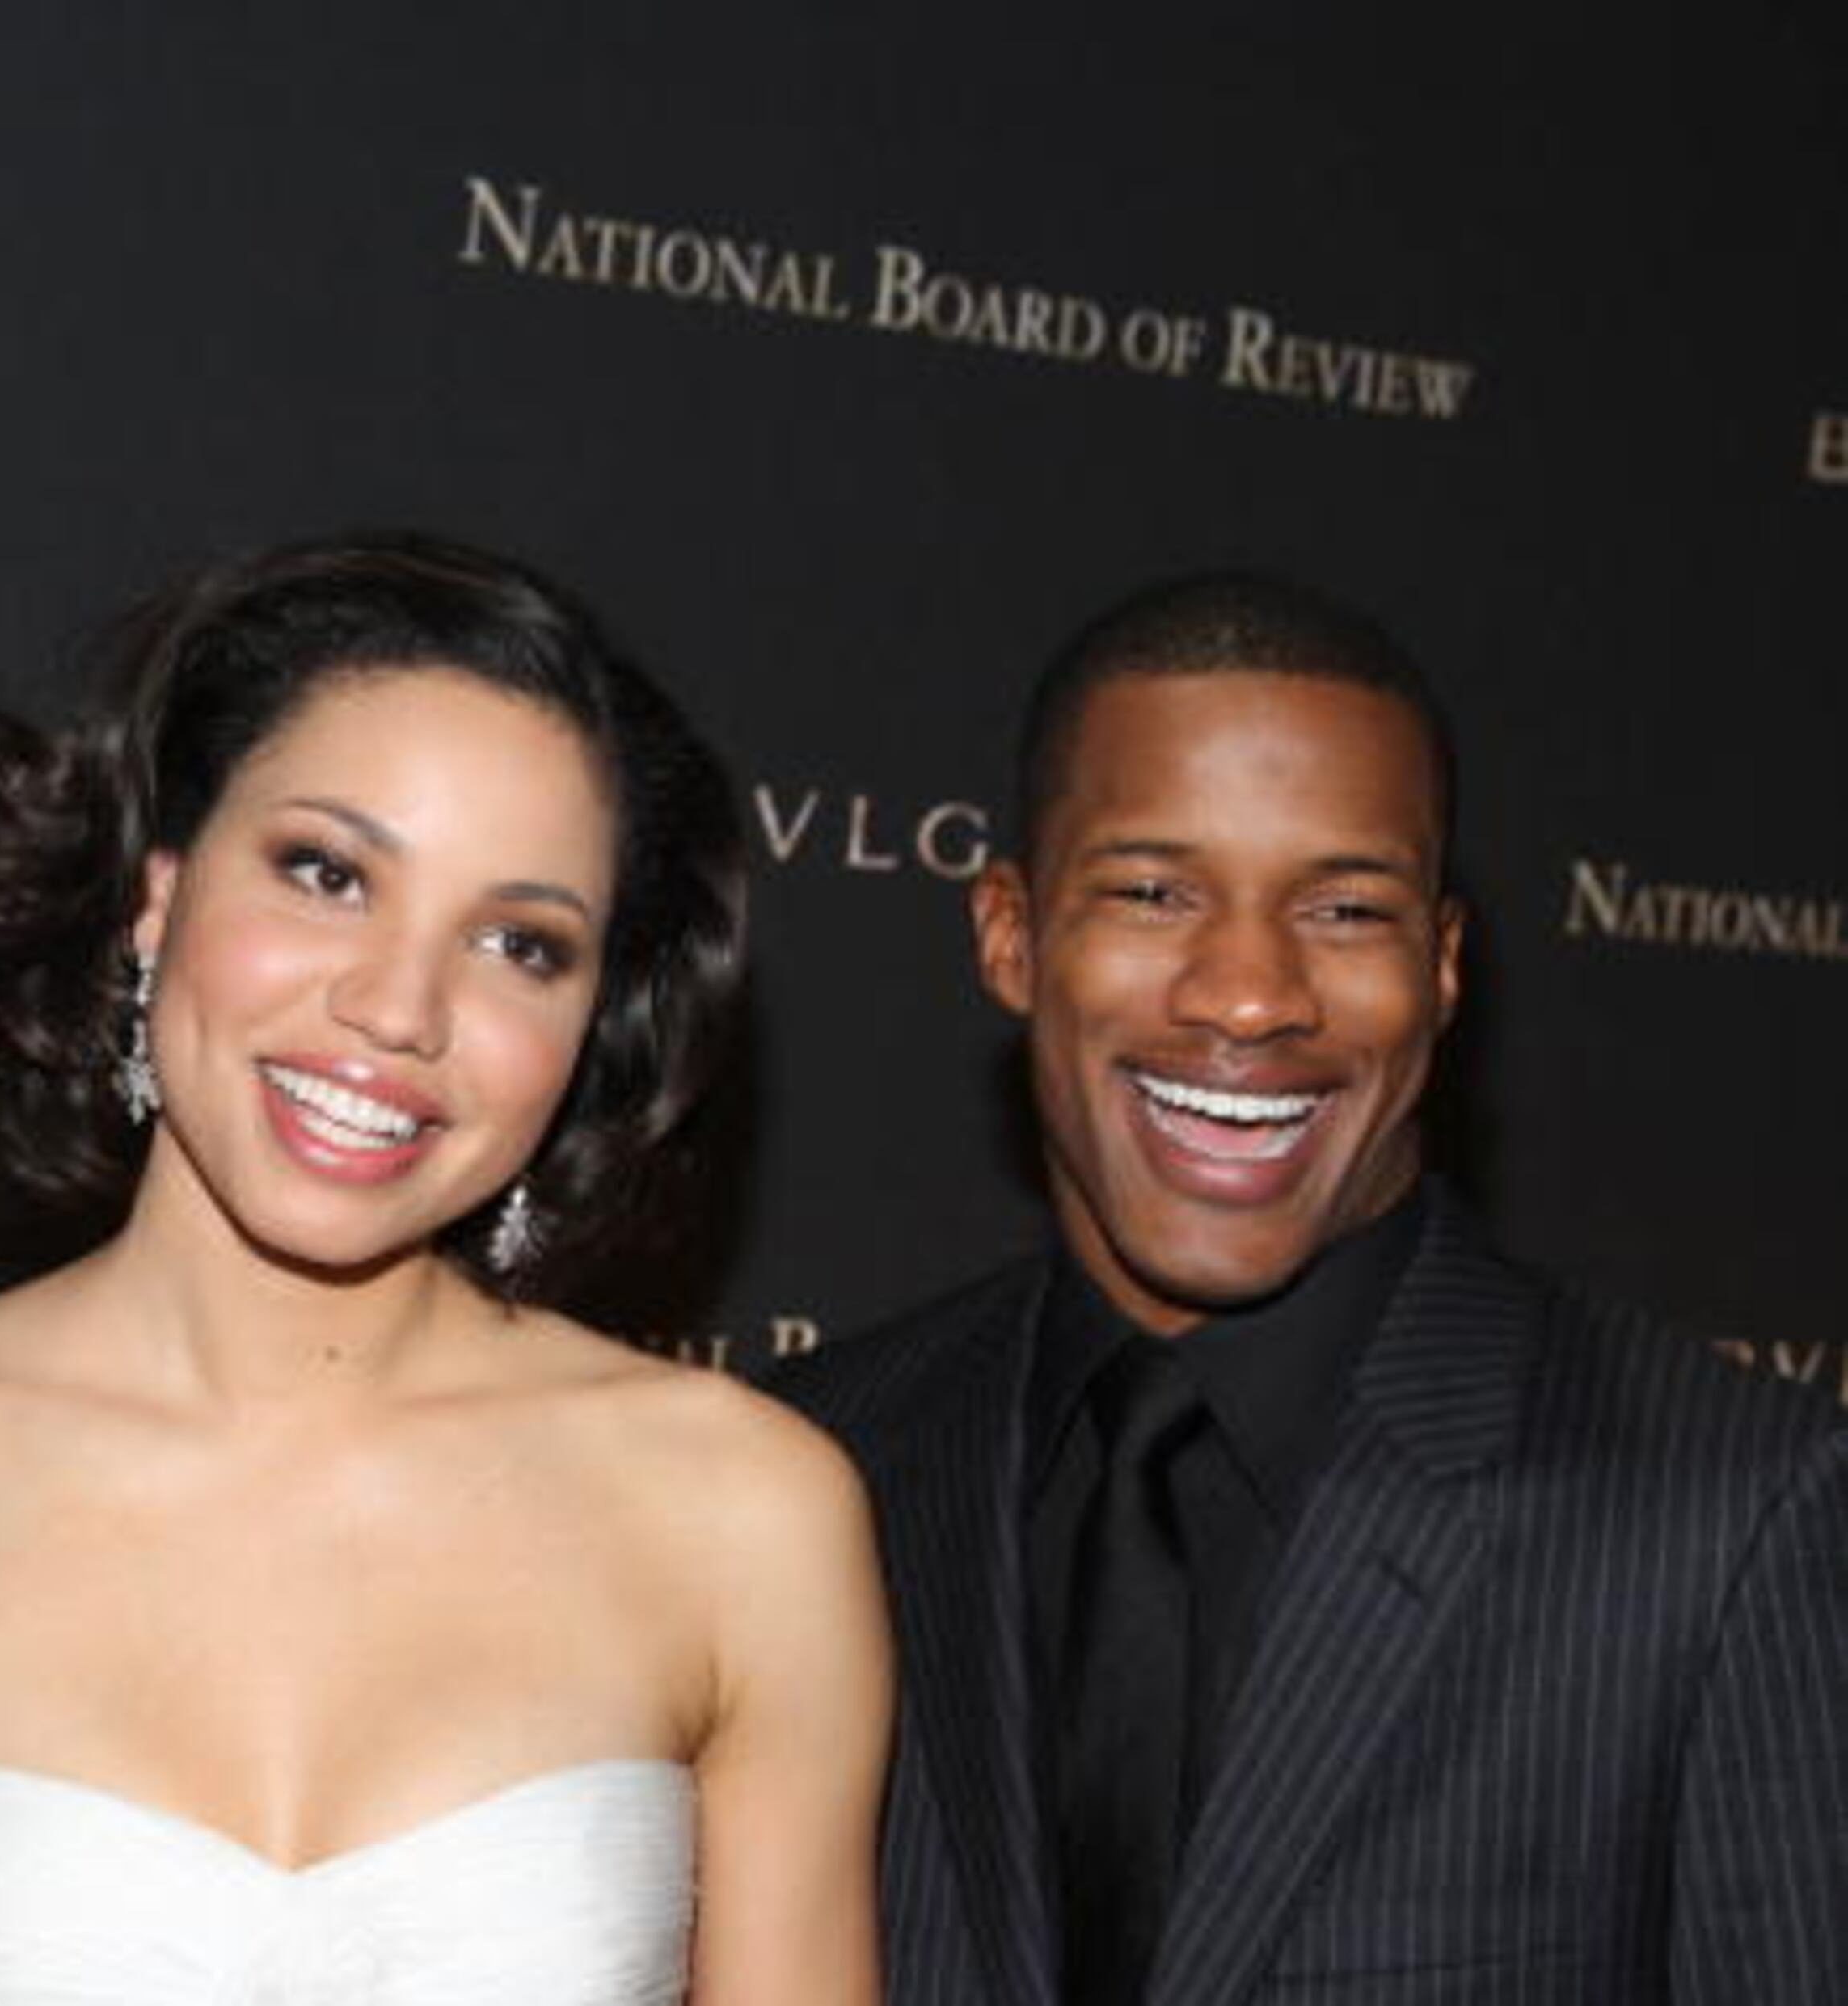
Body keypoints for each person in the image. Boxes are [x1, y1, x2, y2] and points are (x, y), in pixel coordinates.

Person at [0, 533, 891, 2004]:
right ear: (157, 894)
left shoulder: (746, 1521)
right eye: (327, 873)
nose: (400, 1007)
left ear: (593, 1026)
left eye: (521, 944)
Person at [765, 573, 1848, 2005]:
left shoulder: (1725, 1512)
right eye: (1155, 891)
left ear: (1445, 966)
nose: (1250, 992)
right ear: (1010, 936)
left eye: (1344, 908)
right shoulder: (805, 1470)